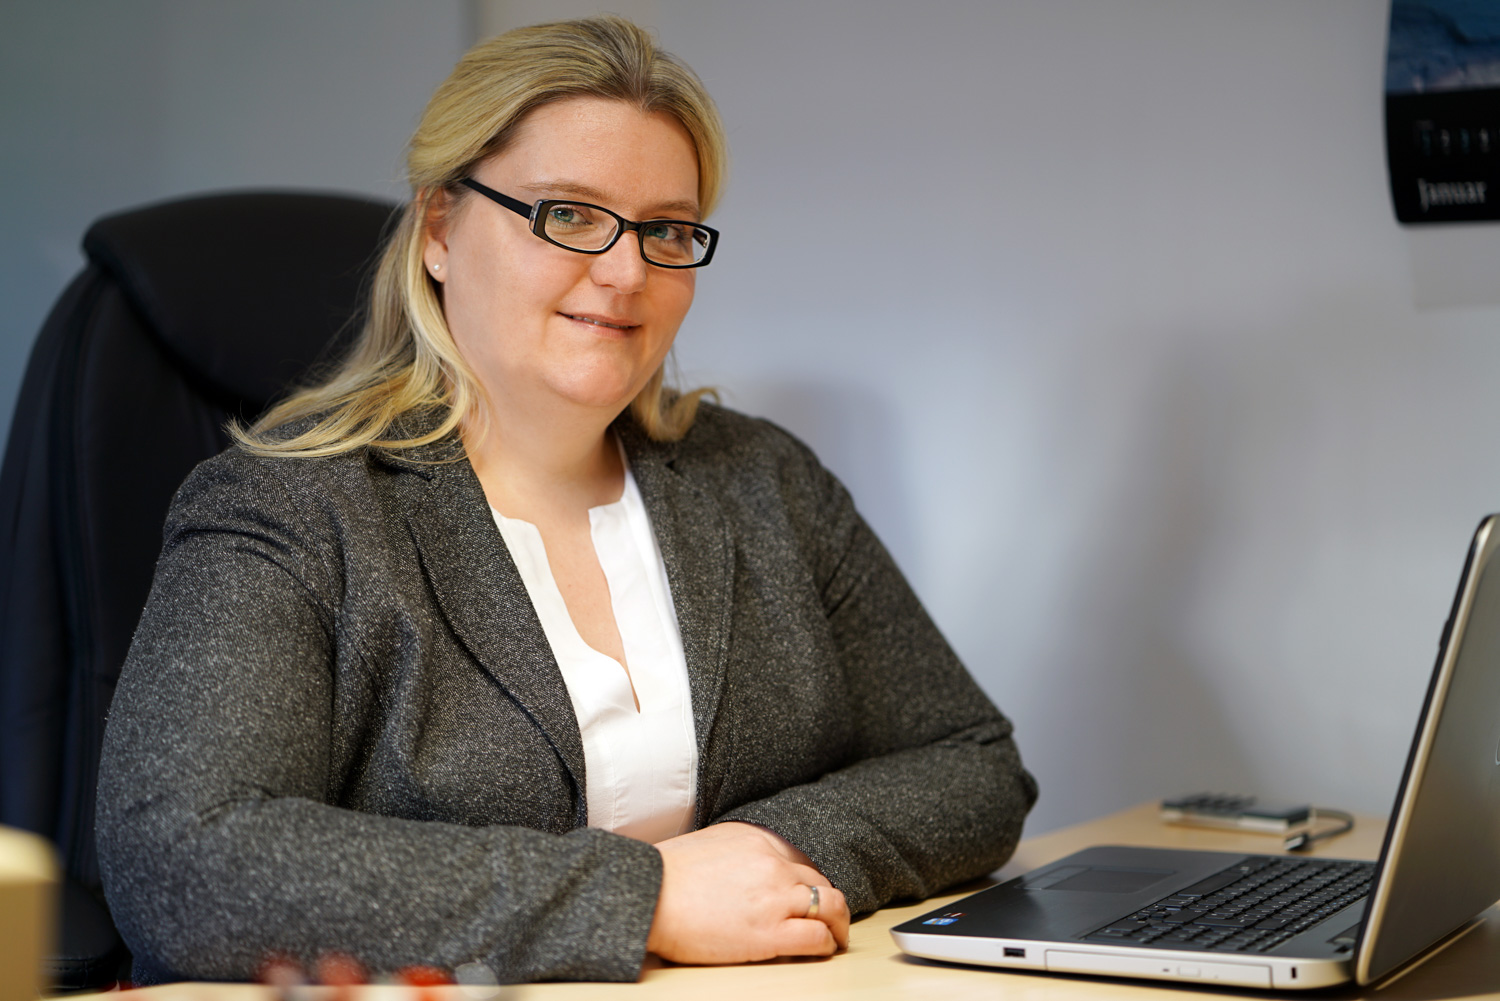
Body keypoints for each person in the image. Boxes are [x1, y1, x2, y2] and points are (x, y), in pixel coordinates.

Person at [96, 15, 1037, 985]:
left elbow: (971, 760)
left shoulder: (763, 478)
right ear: (440, 229)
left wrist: (767, 851)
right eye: (570, 215)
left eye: (666, 229)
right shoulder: (288, 507)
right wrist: (647, 896)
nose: (627, 273)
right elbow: (181, 857)